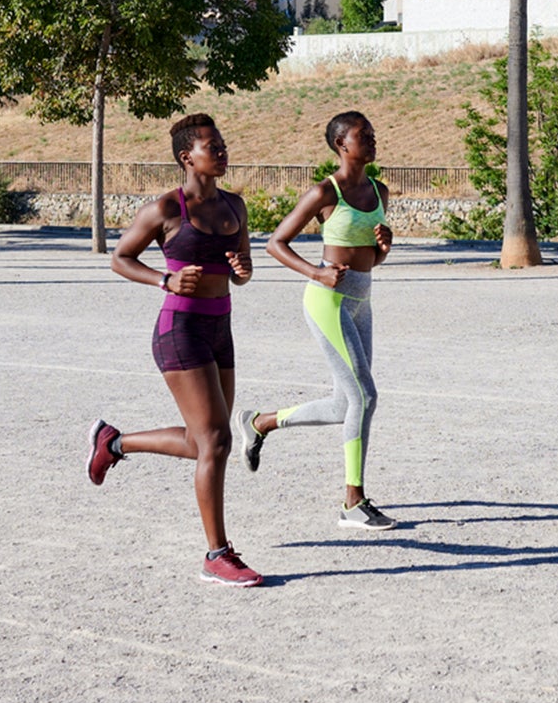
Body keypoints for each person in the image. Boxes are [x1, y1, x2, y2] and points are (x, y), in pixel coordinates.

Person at [86, 114, 264, 587]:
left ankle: (114, 442)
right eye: (213, 146)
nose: (222, 151)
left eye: (223, 144)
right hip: (179, 329)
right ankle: (217, 555)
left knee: (205, 440)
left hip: (219, 328)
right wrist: (163, 278)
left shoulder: (235, 206)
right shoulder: (166, 208)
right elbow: (120, 259)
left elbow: (241, 274)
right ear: (188, 157)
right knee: (218, 443)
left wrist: (243, 268)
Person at [242, 111, 398, 530]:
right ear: (341, 146)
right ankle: (353, 502)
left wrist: (384, 247)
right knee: (365, 397)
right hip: (327, 301)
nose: (371, 139)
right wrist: (317, 271)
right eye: (362, 135)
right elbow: (275, 243)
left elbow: (371, 259)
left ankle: (261, 422)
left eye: (372, 132)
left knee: (343, 403)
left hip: (361, 301)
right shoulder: (324, 192)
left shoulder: (380, 190)